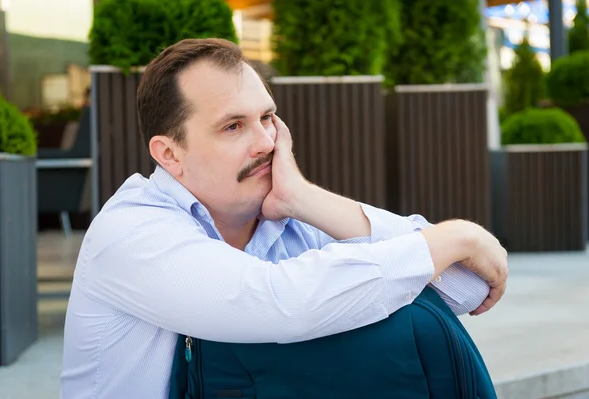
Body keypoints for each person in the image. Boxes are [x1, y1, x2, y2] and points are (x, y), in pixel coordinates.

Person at [60, 38, 508, 399]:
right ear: (169, 154)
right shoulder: (131, 231)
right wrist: (456, 238)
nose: (265, 142)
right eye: (233, 126)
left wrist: (303, 198)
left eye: (268, 117)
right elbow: (279, 302)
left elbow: (466, 288)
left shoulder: (280, 213)